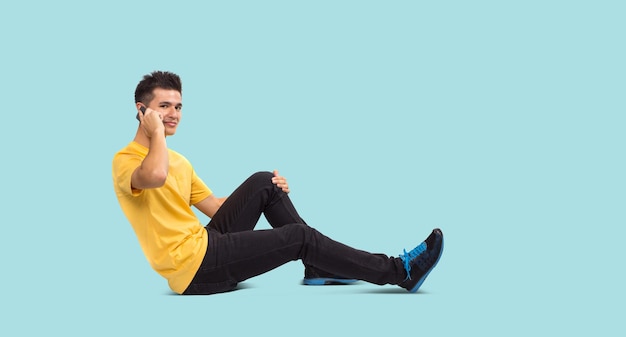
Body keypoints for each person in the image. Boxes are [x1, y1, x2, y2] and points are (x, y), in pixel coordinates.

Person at [112, 70, 444, 295]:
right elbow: (154, 176)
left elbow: (213, 206)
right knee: (299, 237)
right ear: (142, 111)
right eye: (164, 106)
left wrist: (270, 191)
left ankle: (316, 264)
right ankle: (400, 272)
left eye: (179, 106)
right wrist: (155, 134)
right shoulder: (125, 162)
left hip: (205, 243)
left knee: (264, 181)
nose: (173, 114)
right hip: (195, 269)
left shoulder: (178, 161)